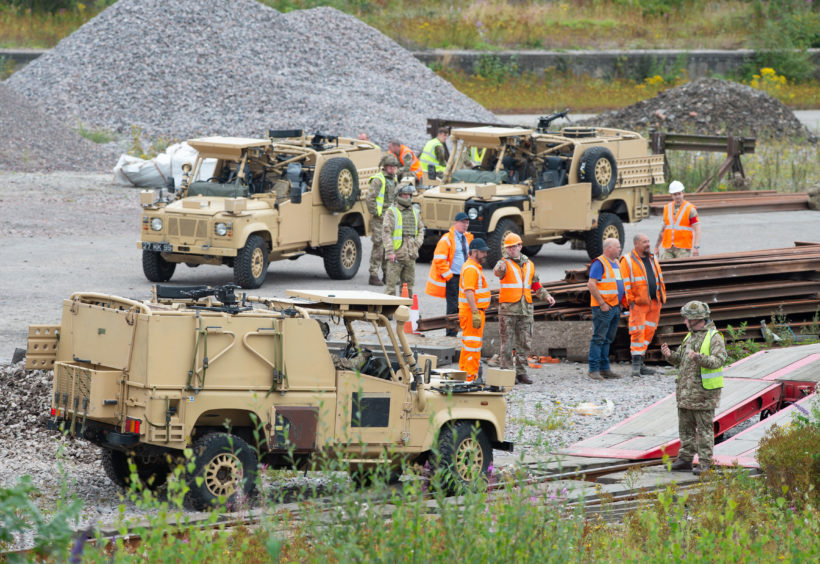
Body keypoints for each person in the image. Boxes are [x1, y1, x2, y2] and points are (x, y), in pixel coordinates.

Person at [661, 301, 726, 476]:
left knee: (704, 430)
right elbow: (681, 360)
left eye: (686, 318)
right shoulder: (689, 337)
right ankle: (685, 459)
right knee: (686, 429)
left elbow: (718, 361)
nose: (684, 322)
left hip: (704, 394)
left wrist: (700, 358)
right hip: (686, 394)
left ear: (695, 319)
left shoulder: (714, 337)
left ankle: (705, 462)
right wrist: (670, 356)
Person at [493, 233, 555, 385]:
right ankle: (508, 373)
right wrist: (500, 268)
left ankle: (521, 372)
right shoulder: (503, 263)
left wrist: (546, 296)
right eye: (509, 247)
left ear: (520, 246)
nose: (512, 249)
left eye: (514, 246)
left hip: (525, 309)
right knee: (506, 343)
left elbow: (535, 284)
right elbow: (497, 272)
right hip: (508, 310)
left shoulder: (529, 264)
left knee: (525, 343)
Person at [620, 233, 666, 377]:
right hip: (638, 303)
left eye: (648, 241)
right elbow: (625, 283)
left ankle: (641, 364)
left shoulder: (652, 258)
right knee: (637, 332)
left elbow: (658, 278)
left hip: (654, 302)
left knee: (648, 332)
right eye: (645, 242)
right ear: (636, 244)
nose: (648, 244)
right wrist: (631, 301)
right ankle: (635, 366)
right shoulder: (627, 260)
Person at [425, 212, 473, 337]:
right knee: (453, 307)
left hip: (464, 277)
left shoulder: (467, 238)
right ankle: (451, 333)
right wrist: (449, 276)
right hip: (454, 277)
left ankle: (457, 330)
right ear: (456, 223)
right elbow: (439, 259)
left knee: (463, 305)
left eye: (467, 223)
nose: (465, 225)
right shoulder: (447, 239)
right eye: (463, 222)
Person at [587, 237, 627, 380]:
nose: (619, 249)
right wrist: (602, 303)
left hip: (615, 307)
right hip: (604, 308)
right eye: (617, 247)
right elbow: (591, 285)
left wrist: (621, 303)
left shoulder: (616, 263)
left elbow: (618, 284)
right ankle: (594, 369)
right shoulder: (599, 263)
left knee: (607, 339)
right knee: (599, 338)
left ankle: (604, 369)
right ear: (608, 248)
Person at [458, 238, 491, 382]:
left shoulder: (473, 267)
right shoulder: (471, 269)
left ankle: (466, 374)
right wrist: (475, 312)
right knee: (472, 345)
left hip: (473, 312)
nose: (485, 254)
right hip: (473, 313)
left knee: (470, 345)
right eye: (482, 252)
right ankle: (470, 377)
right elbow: (469, 291)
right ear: (473, 252)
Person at [382, 185, 424, 296]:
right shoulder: (392, 212)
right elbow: (386, 233)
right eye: (404, 194)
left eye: (408, 195)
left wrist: (417, 244)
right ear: (398, 195)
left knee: (408, 288)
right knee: (390, 289)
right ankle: (388, 313)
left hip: (411, 255)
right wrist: (390, 252)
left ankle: (406, 312)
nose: (407, 197)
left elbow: (421, 230)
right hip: (396, 255)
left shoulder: (415, 212)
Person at [366, 154, 400, 286]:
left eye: (394, 166)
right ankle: (373, 275)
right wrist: (377, 213)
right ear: (385, 167)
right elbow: (370, 198)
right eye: (390, 166)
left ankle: (387, 275)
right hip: (380, 219)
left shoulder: (394, 179)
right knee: (378, 246)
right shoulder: (378, 180)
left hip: (390, 219)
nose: (393, 169)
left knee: (388, 247)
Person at [655, 180, 701, 259]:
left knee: (681, 269)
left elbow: (697, 229)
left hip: (683, 249)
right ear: (671, 195)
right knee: (665, 269)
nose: (677, 196)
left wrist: (696, 247)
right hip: (668, 248)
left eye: (679, 193)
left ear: (683, 193)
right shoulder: (667, 208)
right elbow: (663, 230)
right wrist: (657, 247)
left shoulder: (690, 209)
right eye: (675, 194)